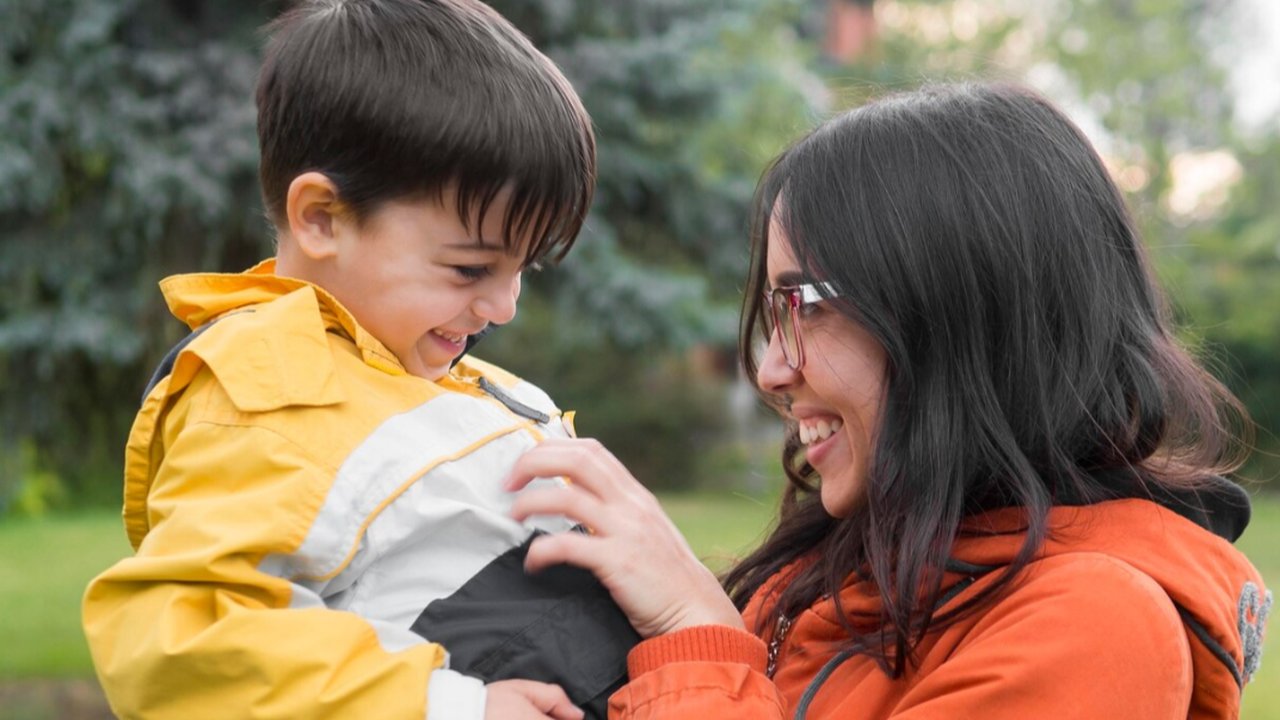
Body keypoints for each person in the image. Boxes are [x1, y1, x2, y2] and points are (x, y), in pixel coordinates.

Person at [506, 82, 1273, 718]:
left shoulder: (1098, 628)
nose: (772, 370)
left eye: (804, 303)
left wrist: (693, 633)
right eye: (774, 315)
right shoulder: (844, 565)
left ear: (961, 311)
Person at [82, 1, 638, 718]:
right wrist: (450, 707)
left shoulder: (426, 368)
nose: (504, 306)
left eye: (523, 268)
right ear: (321, 218)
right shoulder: (271, 387)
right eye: (470, 269)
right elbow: (186, 643)